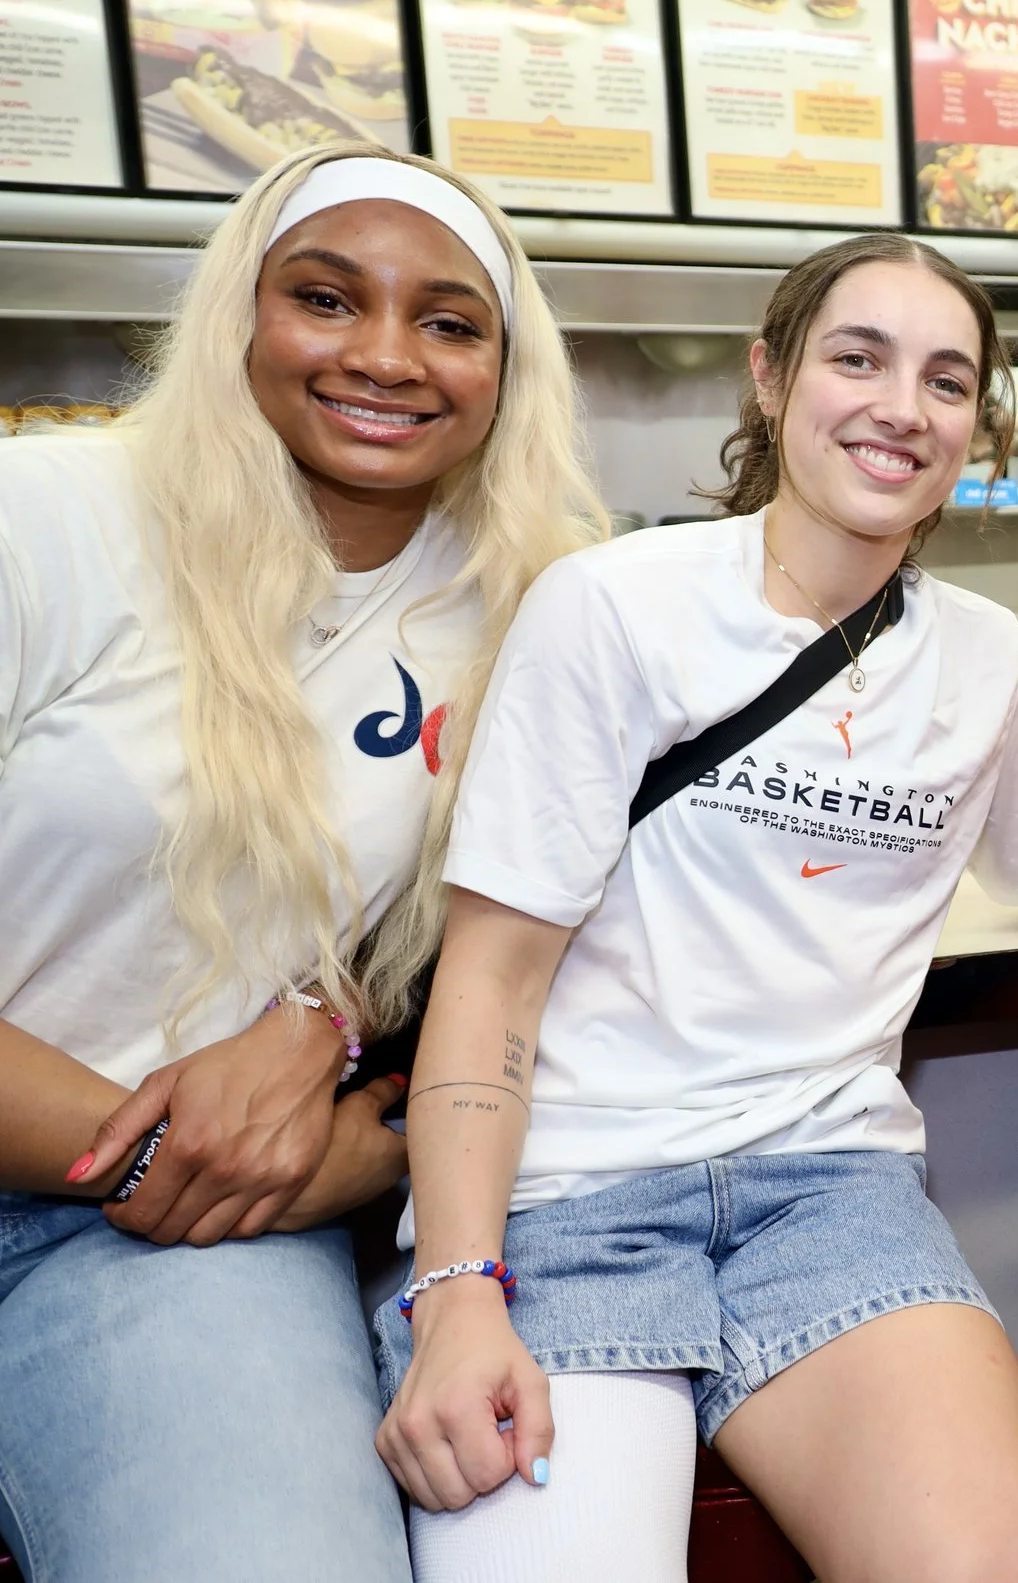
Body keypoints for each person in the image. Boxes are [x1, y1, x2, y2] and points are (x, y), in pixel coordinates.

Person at [373, 233, 1018, 1583]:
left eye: (947, 379)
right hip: (572, 1192)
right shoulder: (613, 604)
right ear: (771, 381)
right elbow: (489, 980)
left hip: (830, 1191)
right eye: (858, 356)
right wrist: (459, 1292)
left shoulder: (981, 652)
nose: (903, 404)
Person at [0, 141, 600, 1581]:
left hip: (175, 1249)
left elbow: (510, 975)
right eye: (327, 299)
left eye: (449, 322)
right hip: (170, 1175)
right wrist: (155, 1150)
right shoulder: (51, 518)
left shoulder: (529, 605)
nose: (386, 356)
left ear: (507, 371)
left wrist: (322, 1041)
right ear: (240, 319)